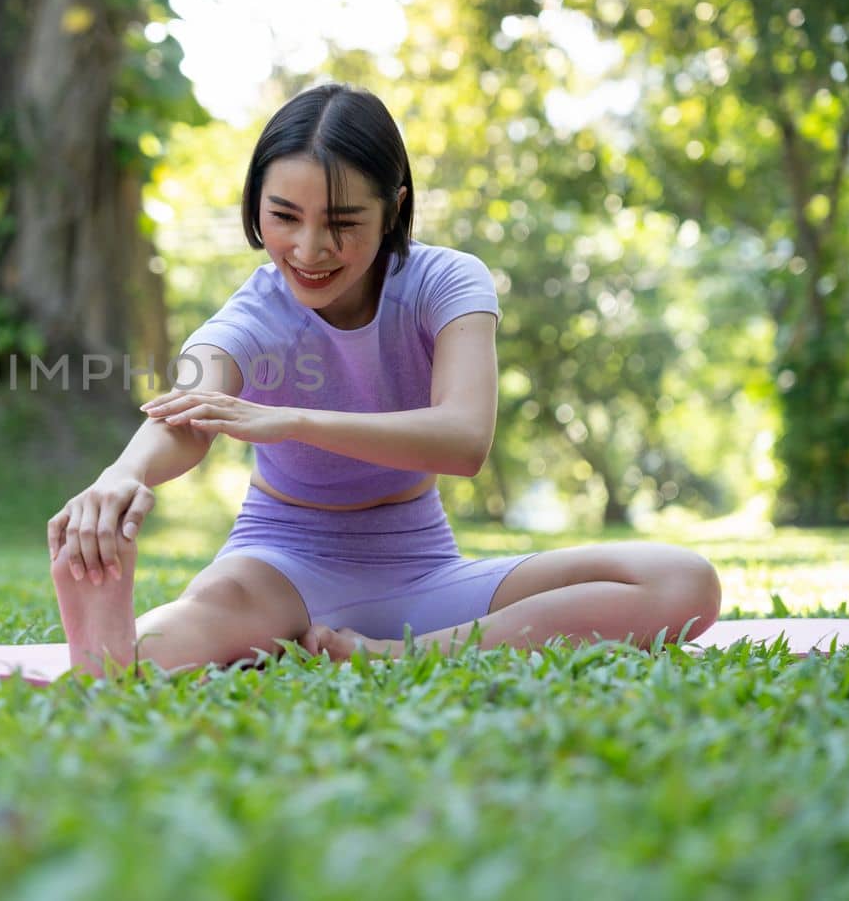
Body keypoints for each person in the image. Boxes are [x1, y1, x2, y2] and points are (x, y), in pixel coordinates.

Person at [46, 83, 722, 676]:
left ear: (394, 208)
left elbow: (463, 439)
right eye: (284, 217)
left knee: (683, 581)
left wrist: (292, 420)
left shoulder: (447, 283)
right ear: (256, 205)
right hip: (274, 569)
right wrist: (120, 477)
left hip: (427, 573)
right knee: (156, 652)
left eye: (342, 222)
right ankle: (104, 640)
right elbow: (187, 410)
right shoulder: (251, 314)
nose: (309, 250)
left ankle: (403, 652)